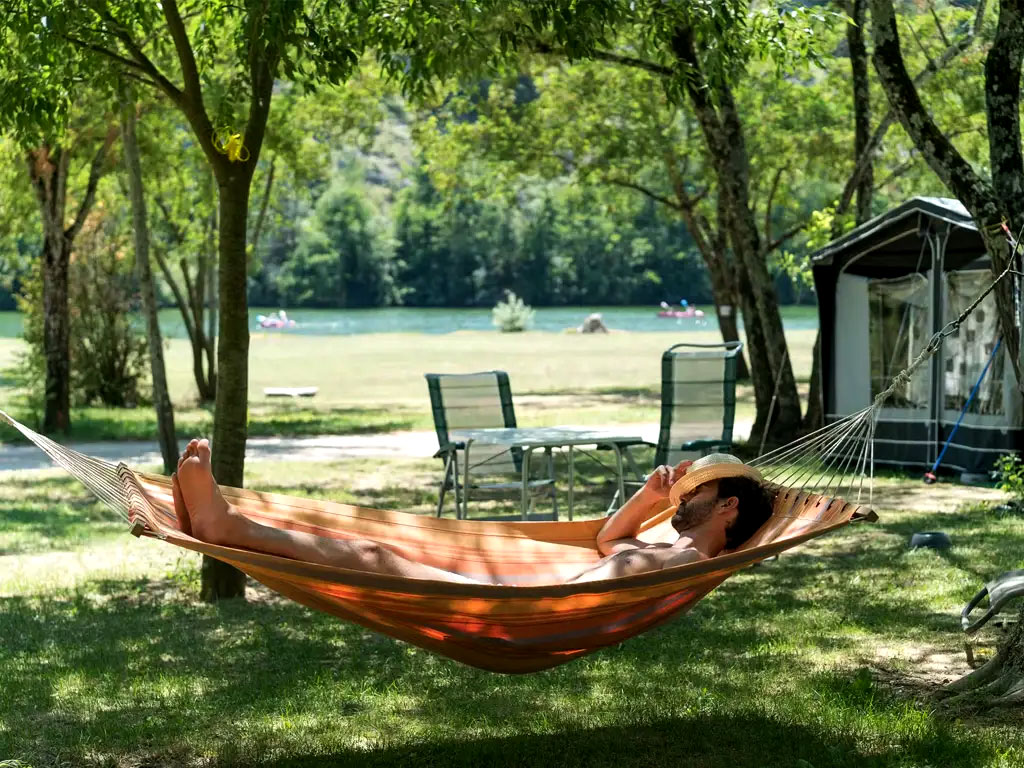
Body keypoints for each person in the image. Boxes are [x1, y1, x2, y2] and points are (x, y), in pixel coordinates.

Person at [171, 442, 773, 586]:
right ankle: (228, 524)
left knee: (377, 555)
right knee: (361, 538)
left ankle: (225, 527)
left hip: (521, 607)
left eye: (689, 495)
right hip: (523, 590)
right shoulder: (674, 556)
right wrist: (645, 501)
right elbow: (609, 541)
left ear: (728, 506)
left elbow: (613, 557)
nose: (678, 499)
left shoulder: (688, 560)